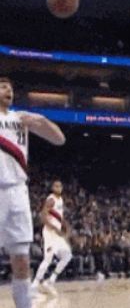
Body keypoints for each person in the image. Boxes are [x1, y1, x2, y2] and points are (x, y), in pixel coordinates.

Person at [0, 77, 66, 308]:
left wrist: (41, 121)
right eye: (2, 86)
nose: (8, 90)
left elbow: (59, 139)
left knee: (21, 261)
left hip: (18, 192)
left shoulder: (20, 118)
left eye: (10, 87)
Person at [32, 180, 73, 296]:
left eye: (60, 186)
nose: (58, 188)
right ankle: (34, 286)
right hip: (50, 233)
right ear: (52, 188)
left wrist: (66, 226)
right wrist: (54, 228)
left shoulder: (61, 200)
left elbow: (59, 217)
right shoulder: (51, 199)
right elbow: (43, 216)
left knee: (67, 255)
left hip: (57, 234)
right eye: (56, 186)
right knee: (48, 259)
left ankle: (50, 280)